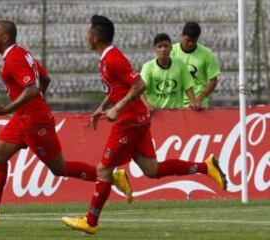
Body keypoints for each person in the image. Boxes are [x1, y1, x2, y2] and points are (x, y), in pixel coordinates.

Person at [62, 15, 227, 235]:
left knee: (103, 170)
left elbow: (139, 85)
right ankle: (205, 167)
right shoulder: (106, 58)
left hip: (129, 121)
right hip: (136, 119)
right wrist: (103, 107)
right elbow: (116, 88)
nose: (85, 36)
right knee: (152, 170)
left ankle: (91, 221)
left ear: (95, 37)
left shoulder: (113, 58)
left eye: (88, 32)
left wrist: (118, 108)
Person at [0, 20, 130, 228]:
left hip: (34, 121)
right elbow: (45, 79)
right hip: (23, 118)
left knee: (59, 168)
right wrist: (34, 104)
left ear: (5, 38)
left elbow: (32, 89)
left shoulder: (14, 59)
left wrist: (9, 109)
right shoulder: (22, 53)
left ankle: (113, 178)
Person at [141, 33, 200, 110]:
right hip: (156, 113)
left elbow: (188, 86)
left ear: (171, 48)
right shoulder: (148, 67)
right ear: (155, 49)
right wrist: (147, 104)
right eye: (159, 46)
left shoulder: (180, 64)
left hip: (176, 113)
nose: (163, 49)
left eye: (166, 46)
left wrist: (193, 101)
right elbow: (140, 90)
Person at [171, 21, 220, 108]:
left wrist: (199, 98)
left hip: (199, 104)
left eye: (194, 41)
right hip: (176, 102)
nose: (190, 44)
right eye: (188, 40)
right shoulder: (171, 52)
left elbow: (213, 81)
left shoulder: (207, 54)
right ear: (182, 35)